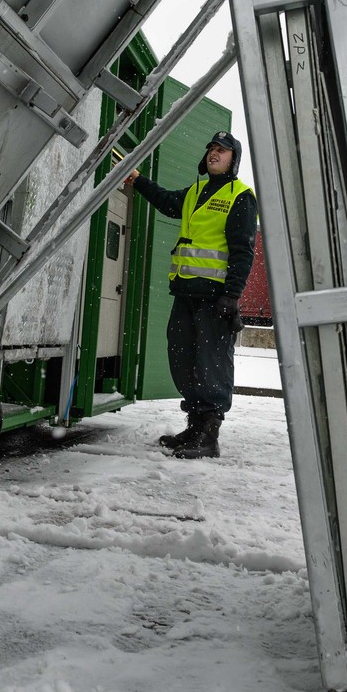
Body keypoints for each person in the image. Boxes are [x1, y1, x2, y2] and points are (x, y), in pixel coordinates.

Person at [125, 131, 257, 459]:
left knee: (212, 364)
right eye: (211, 148)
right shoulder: (196, 191)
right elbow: (169, 202)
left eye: (222, 150)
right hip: (185, 291)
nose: (214, 153)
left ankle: (209, 437)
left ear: (233, 159)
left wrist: (232, 295)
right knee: (183, 360)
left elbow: (244, 251)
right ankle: (195, 426)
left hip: (215, 298)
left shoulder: (240, 195)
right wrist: (139, 180)